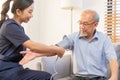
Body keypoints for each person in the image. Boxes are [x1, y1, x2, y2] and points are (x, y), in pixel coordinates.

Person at [21, 9, 119, 80]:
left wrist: (114, 76)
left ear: (95, 24)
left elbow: (112, 59)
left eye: (85, 24)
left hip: (98, 78)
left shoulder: (104, 39)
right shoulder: (73, 37)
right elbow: (56, 48)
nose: (81, 26)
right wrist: (37, 54)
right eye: (80, 23)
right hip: (77, 77)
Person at [0, 0, 64, 80]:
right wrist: (56, 49)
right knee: (46, 77)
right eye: (30, 12)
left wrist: (52, 52)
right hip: (6, 70)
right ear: (18, 11)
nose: (32, 15)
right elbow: (33, 46)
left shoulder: (18, 28)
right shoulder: (10, 26)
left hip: (14, 68)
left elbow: (33, 50)